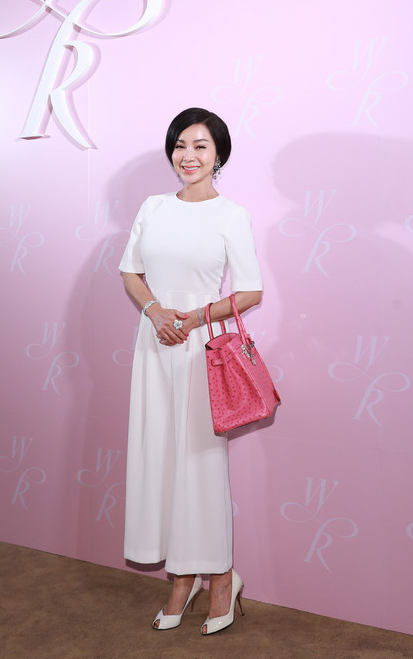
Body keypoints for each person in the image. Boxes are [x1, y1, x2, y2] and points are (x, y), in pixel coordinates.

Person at [119, 107, 263, 635]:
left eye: (201, 145)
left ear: (218, 154)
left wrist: (195, 318)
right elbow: (131, 271)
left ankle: (220, 577)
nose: (189, 155)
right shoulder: (153, 206)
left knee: (200, 462)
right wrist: (156, 313)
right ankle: (182, 578)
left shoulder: (232, 214)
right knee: (159, 456)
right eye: (181, 145)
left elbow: (250, 291)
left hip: (200, 345)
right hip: (155, 342)